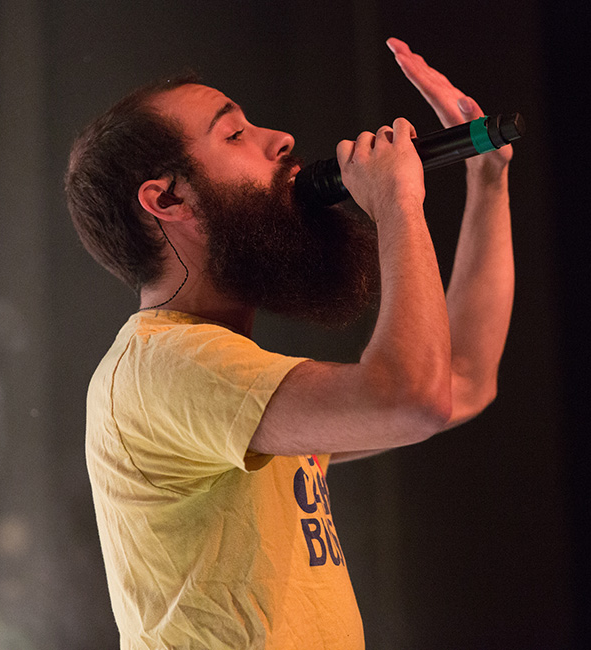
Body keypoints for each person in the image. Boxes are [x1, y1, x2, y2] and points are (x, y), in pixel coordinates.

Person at [65, 37, 515, 649]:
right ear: (167, 199)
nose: (278, 139)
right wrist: (397, 202)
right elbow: (413, 397)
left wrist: (487, 178)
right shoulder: (161, 367)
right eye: (233, 135)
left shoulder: (227, 378)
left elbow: (463, 380)